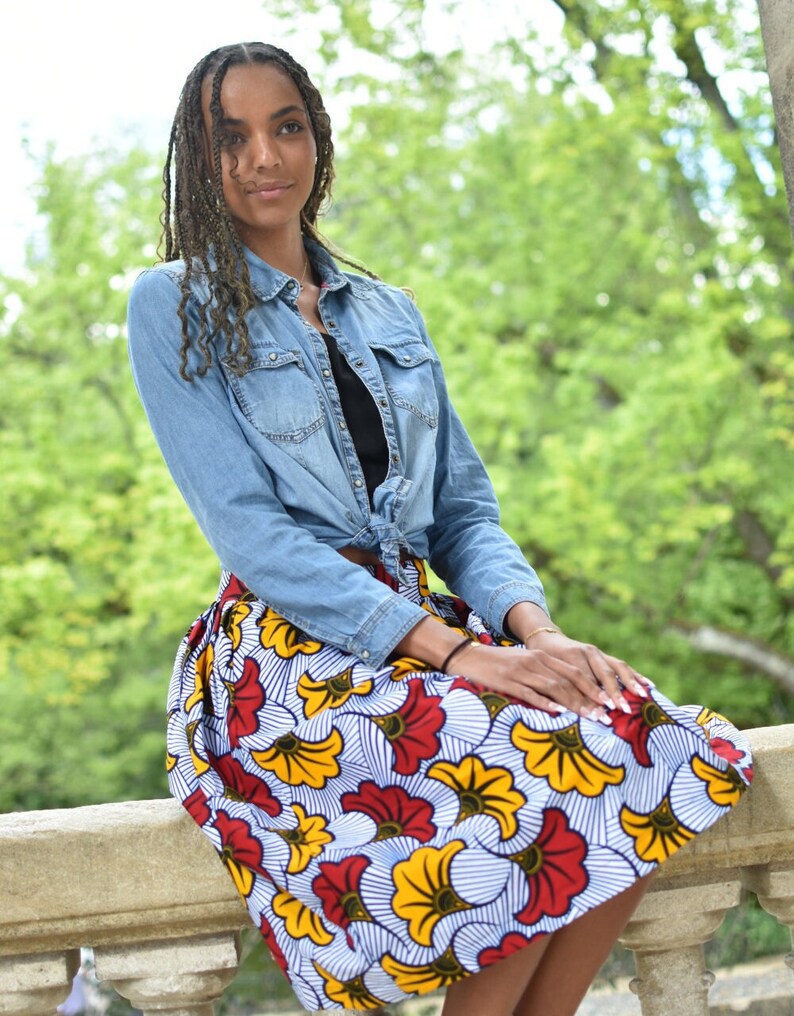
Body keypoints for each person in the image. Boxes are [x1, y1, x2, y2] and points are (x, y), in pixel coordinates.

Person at [127, 41, 753, 1016]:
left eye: (285, 127)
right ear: (199, 159)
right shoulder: (170, 304)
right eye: (230, 137)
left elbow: (461, 512)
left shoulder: (389, 312)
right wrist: (463, 655)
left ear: (318, 139)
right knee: (532, 783)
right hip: (292, 651)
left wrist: (537, 636)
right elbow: (253, 535)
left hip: (428, 623)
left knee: (640, 732)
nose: (263, 157)